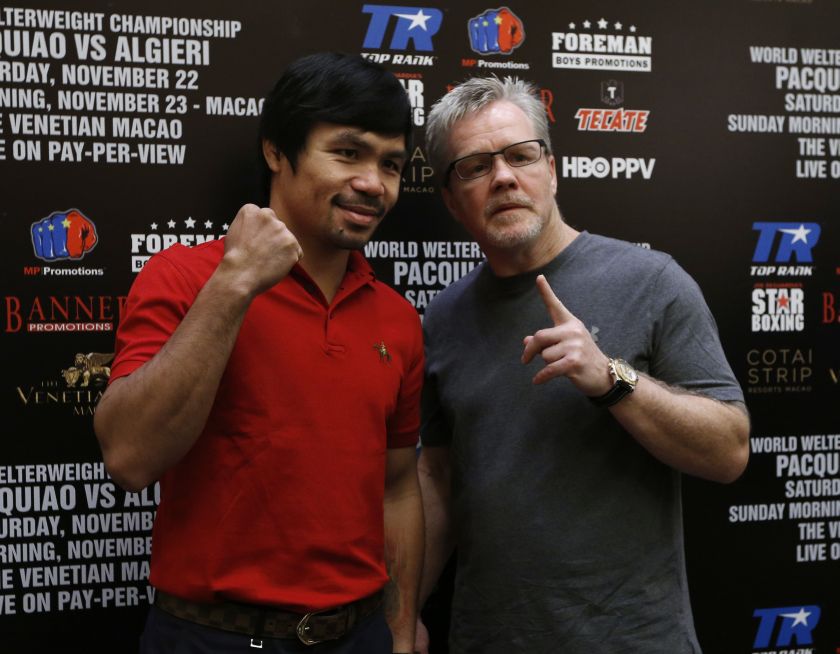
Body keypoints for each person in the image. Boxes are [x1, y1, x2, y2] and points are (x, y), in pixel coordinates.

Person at [94, 52, 424, 654]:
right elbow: (129, 456)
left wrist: (401, 631)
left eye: (391, 163)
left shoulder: (397, 319)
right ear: (277, 151)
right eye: (348, 153)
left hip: (360, 636)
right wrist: (234, 285)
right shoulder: (185, 277)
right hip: (211, 638)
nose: (374, 182)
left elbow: (398, 488)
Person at [415, 76, 750, 653]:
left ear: (552, 168)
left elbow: (728, 453)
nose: (503, 177)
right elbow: (437, 482)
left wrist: (613, 380)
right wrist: (405, 612)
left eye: (521, 156)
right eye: (474, 167)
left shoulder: (652, 281)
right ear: (449, 197)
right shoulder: (442, 319)